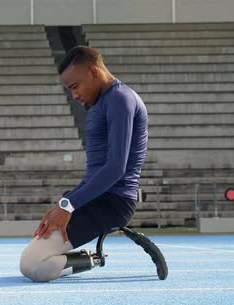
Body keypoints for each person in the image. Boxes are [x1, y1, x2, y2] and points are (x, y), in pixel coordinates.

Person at [19, 45, 149, 282]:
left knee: (33, 266)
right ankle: (82, 257)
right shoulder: (101, 103)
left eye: (75, 87)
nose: (74, 95)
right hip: (95, 197)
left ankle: (92, 260)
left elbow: (116, 167)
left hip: (114, 202)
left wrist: (69, 205)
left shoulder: (121, 99)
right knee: (32, 260)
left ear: (93, 72)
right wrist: (64, 202)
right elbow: (95, 173)